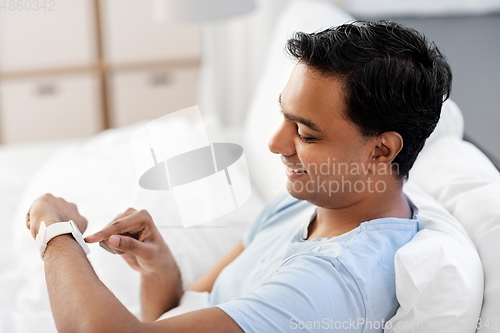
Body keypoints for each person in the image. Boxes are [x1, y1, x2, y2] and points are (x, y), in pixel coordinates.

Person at [25, 20, 452, 333]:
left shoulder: (330, 283)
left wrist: (55, 232)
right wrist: (160, 268)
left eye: (305, 132)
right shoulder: (308, 204)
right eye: (285, 117)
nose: (275, 143)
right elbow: (191, 307)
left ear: (382, 150)